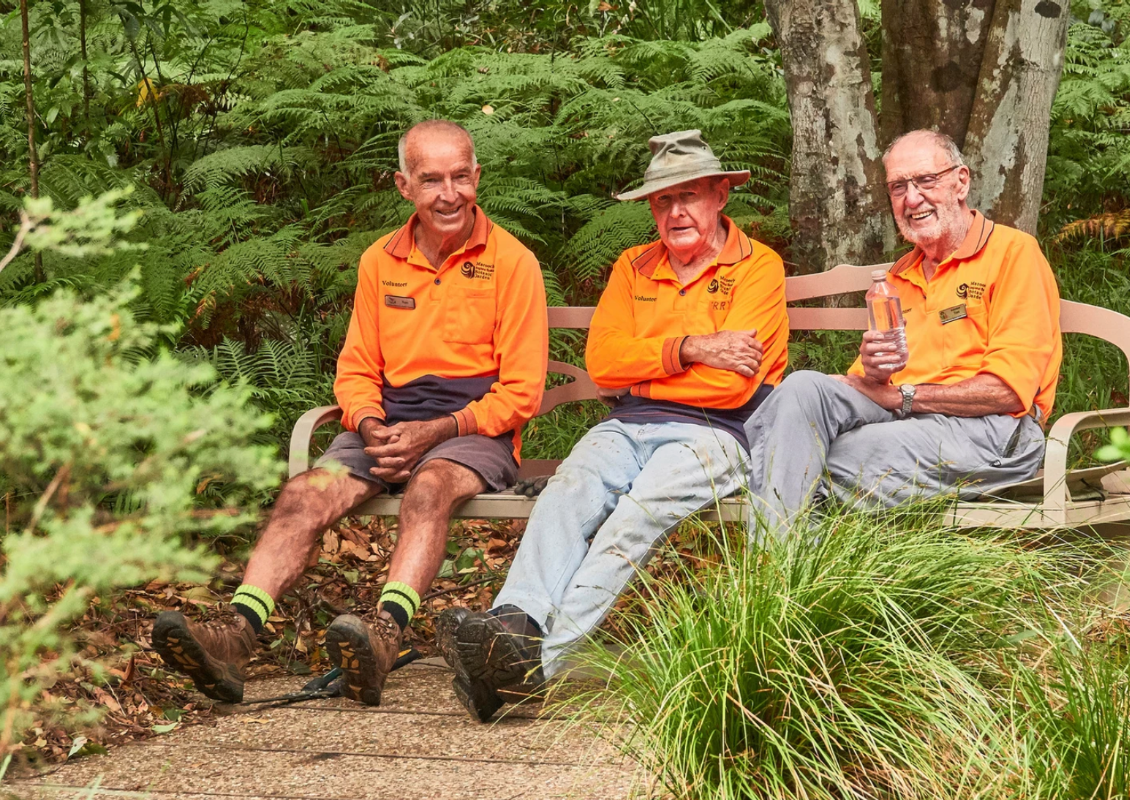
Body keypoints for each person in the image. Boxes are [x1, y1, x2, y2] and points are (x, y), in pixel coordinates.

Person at [152, 120, 548, 706]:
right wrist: (369, 424)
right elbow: (357, 369)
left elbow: (522, 393)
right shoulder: (378, 261)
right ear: (403, 186)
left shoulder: (513, 262)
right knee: (304, 493)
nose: (449, 194)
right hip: (386, 422)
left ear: (477, 178)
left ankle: (384, 635)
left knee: (430, 487)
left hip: (473, 426)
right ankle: (237, 636)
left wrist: (434, 433)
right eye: (431, 179)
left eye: (460, 177)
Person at [436, 130, 790, 722]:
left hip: (718, 433)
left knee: (635, 517)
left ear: (720, 195)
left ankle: (532, 666)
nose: (675, 212)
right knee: (568, 489)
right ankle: (513, 623)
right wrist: (693, 348)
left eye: (689, 196)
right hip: (627, 424)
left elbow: (731, 388)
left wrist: (643, 373)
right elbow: (603, 365)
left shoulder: (758, 267)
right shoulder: (633, 266)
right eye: (662, 200)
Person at [746, 129, 1062, 536]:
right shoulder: (899, 276)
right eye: (898, 187)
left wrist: (902, 395)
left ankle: (779, 568)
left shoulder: (1014, 253)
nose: (912, 199)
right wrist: (874, 371)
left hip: (993, 430)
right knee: (802, 388)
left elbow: (1008, 392)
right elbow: (867, 387)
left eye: (926, 180)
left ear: (961, 182)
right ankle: (788, 560)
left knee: (807, 457)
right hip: (907, 419)